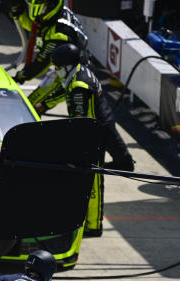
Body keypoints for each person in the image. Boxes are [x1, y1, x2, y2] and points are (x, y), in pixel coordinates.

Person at [36, 43, 134, 236]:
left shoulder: (80, 87)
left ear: (66, 65)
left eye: (57, 67)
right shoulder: (79, 72)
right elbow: (64, 92)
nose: (55, 70)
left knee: (93, 180)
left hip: (94, 134)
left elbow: (81, 121)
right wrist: (44, 104)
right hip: (100, 124)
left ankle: (94, 225)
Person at [12, 0, 88, 105]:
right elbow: (35, 28)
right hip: (61, 70)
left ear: (51, 7)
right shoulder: (56, 15)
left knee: (31, 107)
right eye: (32, 9)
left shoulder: (59, 33)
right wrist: (19, 13)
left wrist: (17, 78)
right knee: (30, 106)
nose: (36, 15)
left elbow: (40, 65)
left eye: (41, 9)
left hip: (71, 78)